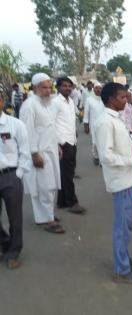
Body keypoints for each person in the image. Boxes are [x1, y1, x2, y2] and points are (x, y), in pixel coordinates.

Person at [95, 82, 132, 284]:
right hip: (120, 181)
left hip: (127, 179)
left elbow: (122, 144)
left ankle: (123, 258)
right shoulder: (105, 122)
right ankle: (122, 269)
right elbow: (107, 156)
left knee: (126, 225)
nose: (126, 101)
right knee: (121, 226)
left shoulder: (115, 119)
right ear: (111, 99)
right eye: (122, 97)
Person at [20, 73, 65, 234]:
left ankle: (46, 215)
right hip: (39, 153)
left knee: (51, 185)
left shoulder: (46, 104)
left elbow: (49, 129)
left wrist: (57, 146)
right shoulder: (29, 105)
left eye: (49, 87)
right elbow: (27, 132)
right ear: (35, 88)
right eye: (44, 87)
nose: (48, 91)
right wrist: (33, 153)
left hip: (50, 150)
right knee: (44, 187)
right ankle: (48, 220)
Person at [0, 92, 30, 269]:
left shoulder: (15, 124)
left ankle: (13, 251)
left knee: (15, 217)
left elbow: (25, 151)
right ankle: (3, 242)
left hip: (10, 176)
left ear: (2, 101)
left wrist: (19, 173)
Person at [52, 77, 86, 214]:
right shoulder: (55, 102)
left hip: (72, 140)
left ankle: (62, 201)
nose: (67, 88)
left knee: (65, 173)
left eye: (69, 86)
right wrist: (58, 144)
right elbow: (52, 123)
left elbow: (72, 119)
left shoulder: (70, 101)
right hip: (63, 142)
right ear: (58, 87)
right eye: (64, 86)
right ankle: (73, 202)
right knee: (68, 174)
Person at [83, 82, 104, 166]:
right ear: (93, 89)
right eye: (96, 88)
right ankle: (96, 156)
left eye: (100, 88)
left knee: (103, 143)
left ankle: (102, 160)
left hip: (103, 125)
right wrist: (86, 125)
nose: (98, 90)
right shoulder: (89, 100)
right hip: (93, 125)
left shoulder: (104, 99)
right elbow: (86, 113)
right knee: (95, 143)